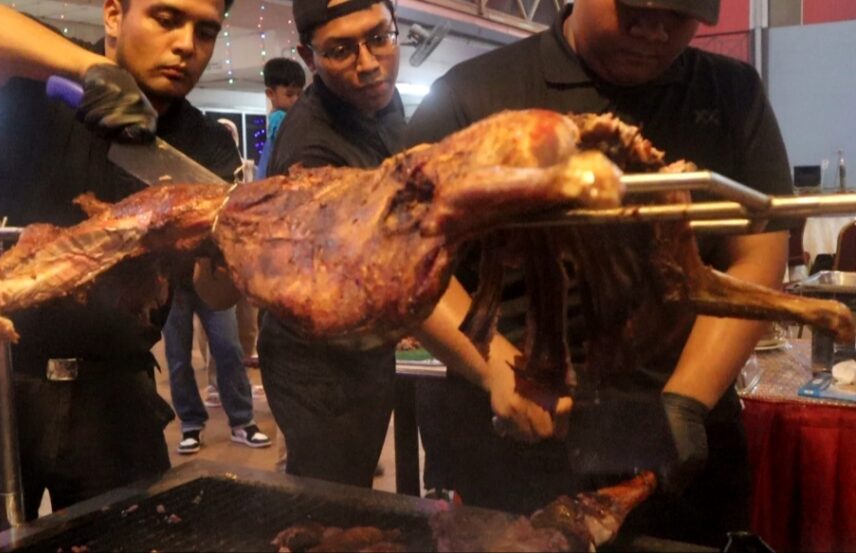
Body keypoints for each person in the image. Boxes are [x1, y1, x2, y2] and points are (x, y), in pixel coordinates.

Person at [406, 0, 792, 546]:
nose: (654, 30)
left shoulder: (733, 94)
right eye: (633, 9)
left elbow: (757, 256)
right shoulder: (471, 93)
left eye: (680, 16)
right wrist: (495, 368)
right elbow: (408, 260)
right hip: (512, 439)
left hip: (681, 446)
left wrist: (685, 402)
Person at [0, 0, 240, 550]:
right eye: (166, 18)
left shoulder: (205, 146)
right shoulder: (39, 77)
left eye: (205, 31)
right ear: (114, 14)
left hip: (116, 392)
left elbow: (215, 292)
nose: (186, 45)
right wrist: (88, 71)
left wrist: (232, 254)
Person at [258, 0, 405, 488]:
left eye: (379, 38)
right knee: (330, 503)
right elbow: (364, 271)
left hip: (366, 339)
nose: (368, 64)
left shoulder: (380, 100)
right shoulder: (310, 146)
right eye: (341, 50)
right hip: (316, 363)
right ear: (308, 56)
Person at [163, 116, 271, 455]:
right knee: (178, 356)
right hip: (172, 279)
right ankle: (191, 424)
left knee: (228, 348)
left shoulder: (218, 173)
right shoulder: (162, 179)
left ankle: (242, 420)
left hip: (210, 272)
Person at [256, 57, 306, 180]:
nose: (295, 99)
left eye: (299, 94)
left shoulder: (282, 117)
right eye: (289, 94)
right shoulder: (279, 118)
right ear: (270, 94)